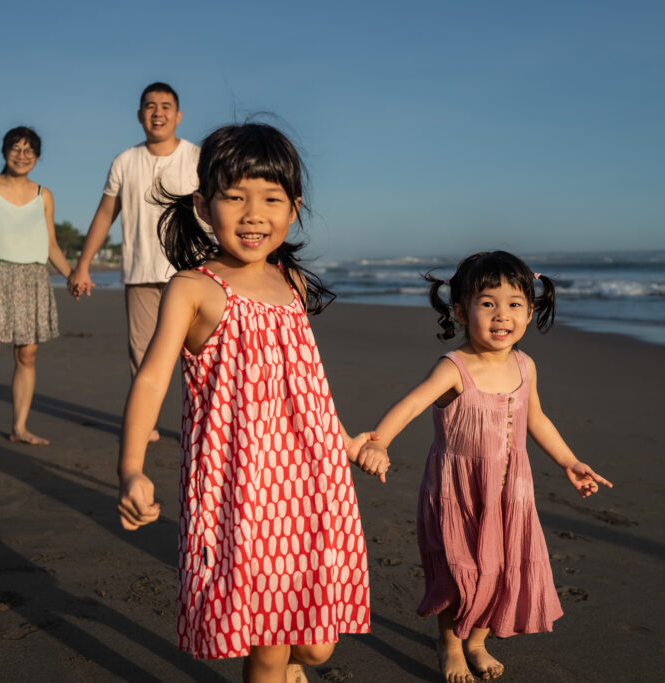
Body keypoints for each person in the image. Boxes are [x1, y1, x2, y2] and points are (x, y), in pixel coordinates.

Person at [115, 123, 389, 682]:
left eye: (271, 199)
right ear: (203, 205)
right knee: (268, 645)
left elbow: (307, 384)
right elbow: (151, 381)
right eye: (235, 197)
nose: (253, 214)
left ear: (294, 209)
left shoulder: (293, 284)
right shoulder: (194, 288)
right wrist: (131, 469)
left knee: (316, 645)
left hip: (312, 481)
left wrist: (345, 441)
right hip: (242, 488)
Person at [356, 251, 613, 682]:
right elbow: (412, 404)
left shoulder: (525, 366)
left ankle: (476, 640)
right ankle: (450, 643)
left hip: (511, 493)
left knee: (500, 570)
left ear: (529, 312)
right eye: (488, 303)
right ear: (461, 312)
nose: (501, 315)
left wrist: (569, 461)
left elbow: (536, 419)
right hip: (459, 493)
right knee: (460, 573)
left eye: (514, 304)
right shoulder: (454, 367)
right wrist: (379, 442)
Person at [67, 82, 200, 442]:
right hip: (141, 272)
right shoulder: (125, 161)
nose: (158, 113)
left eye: (166, 106)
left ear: (178, 115)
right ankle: (146, 426)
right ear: (140, 115)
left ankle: (200, 427)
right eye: (150, 106)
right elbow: (105, 214)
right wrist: (83, 264)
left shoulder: (198, 158)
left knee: (199, 355)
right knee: (142, 357)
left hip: (192, 273)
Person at [0, 126, 72, 454]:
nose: (22, 156)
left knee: (27, 356)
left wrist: (72, 276)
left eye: (29, 151)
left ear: (37, 157)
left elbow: (51, 244)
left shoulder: (43, 195)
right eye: (16, 149)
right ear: (5, 151)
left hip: (32, 278)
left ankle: (20, 428)